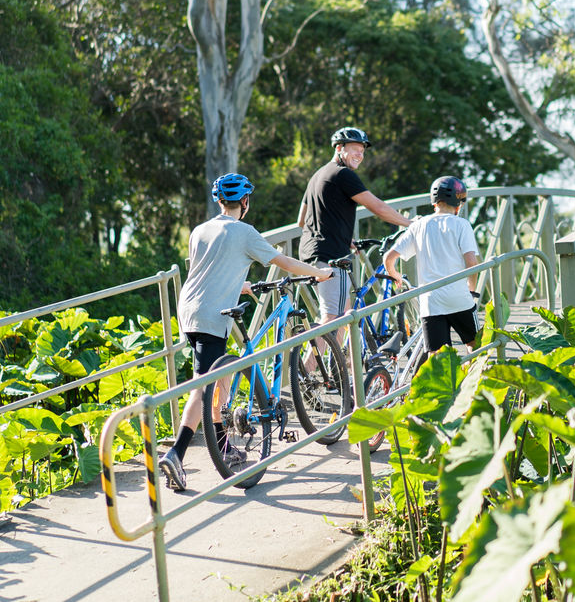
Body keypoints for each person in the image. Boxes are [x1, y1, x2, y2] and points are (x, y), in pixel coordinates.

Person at [159, 172, 332, 492]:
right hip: (213, 314)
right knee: (203, 387)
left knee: (219, 381)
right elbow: (284, 262)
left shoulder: (200, 230)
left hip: (190, 309)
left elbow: (205, 271)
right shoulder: (244, 232)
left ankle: (223, 446)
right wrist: (318, 273)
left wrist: (241, 285)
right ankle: (176, 453)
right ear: (245, 202)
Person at [297, 126, 412, 325]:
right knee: (335, 318)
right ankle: (310, 358)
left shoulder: (318, 175)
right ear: (339, 148)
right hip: (330, 257)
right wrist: (409, 223)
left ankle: (349, 358)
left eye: (363, 151)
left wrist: (342, 235)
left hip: (308, 253)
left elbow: (302, 220)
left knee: (346, 311)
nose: (360, 154)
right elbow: (377, 206)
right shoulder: (342, 174)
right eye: (355, 149)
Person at [384, 175, 480, 354]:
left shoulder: (419, 225)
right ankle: (473, 378)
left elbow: (389, 258)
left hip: (430, 303)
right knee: (475, 345)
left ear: (434, 202)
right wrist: (471, 288)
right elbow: (472, 263)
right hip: (459, 298)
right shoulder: (461, 225)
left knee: (436, 358)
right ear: (459, 204)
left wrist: (394, 274)